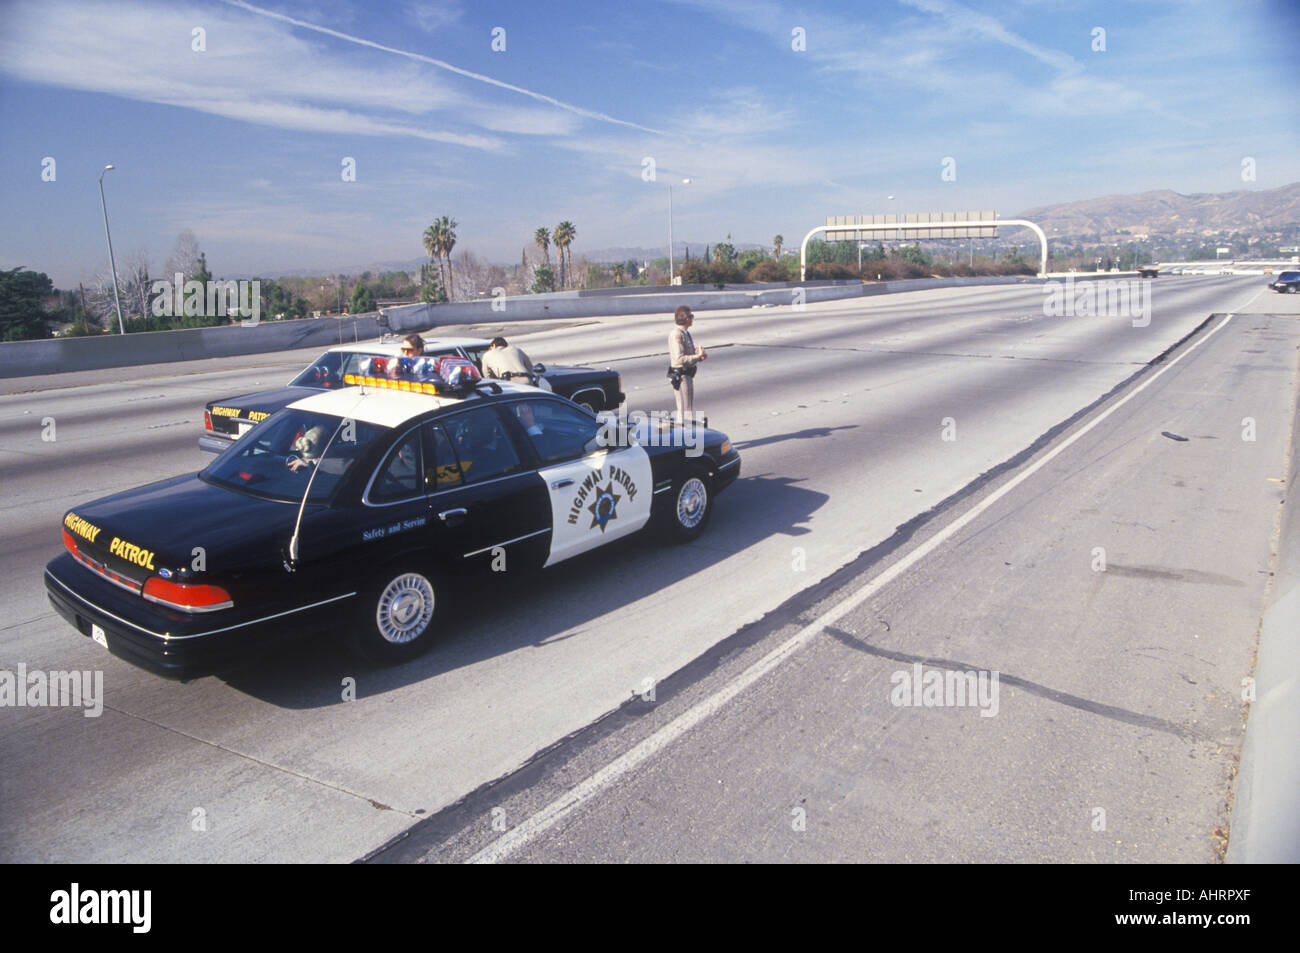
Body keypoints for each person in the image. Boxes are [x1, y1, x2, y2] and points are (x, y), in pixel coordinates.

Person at [668, 305, 706, 425]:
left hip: (687, 375)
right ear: (687, 319)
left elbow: (688, 355)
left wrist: (698, 356)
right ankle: (684, 438)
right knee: (685, 412)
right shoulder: (677, 335)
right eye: (691, 316)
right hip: (681, 376)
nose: (692, 319)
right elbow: (679, 359)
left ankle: (684, 435)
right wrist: (697, 357)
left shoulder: (686, 333)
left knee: (686, 409)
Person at [482, 337, 551, 390]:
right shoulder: (516, 349)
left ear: (493, 345)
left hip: (509, 384)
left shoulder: (487, 354)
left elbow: (487, 375)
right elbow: (529, 366)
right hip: (527, 380)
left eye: (490, 348)